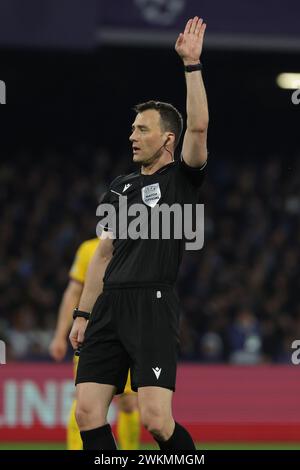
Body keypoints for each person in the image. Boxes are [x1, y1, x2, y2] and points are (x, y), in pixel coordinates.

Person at [69, 16, 208, 450]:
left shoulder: (182, 177)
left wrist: (192, 66)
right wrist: (82, 313)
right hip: (109, 305)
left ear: (168, 139)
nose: (132, 135)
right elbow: (104, 253)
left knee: (156, 420)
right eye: (132, 128)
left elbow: (199, 127)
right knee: (87, 412)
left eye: (141, 129)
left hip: (152, 302)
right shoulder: (119, 185)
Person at [49, 238, 140, 450]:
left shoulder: (137, 245)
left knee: (128, 403)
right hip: (93, 335)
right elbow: (72, 292)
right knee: (83, 401)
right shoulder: (89, 249)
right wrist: (59, 334)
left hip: (128, 333)